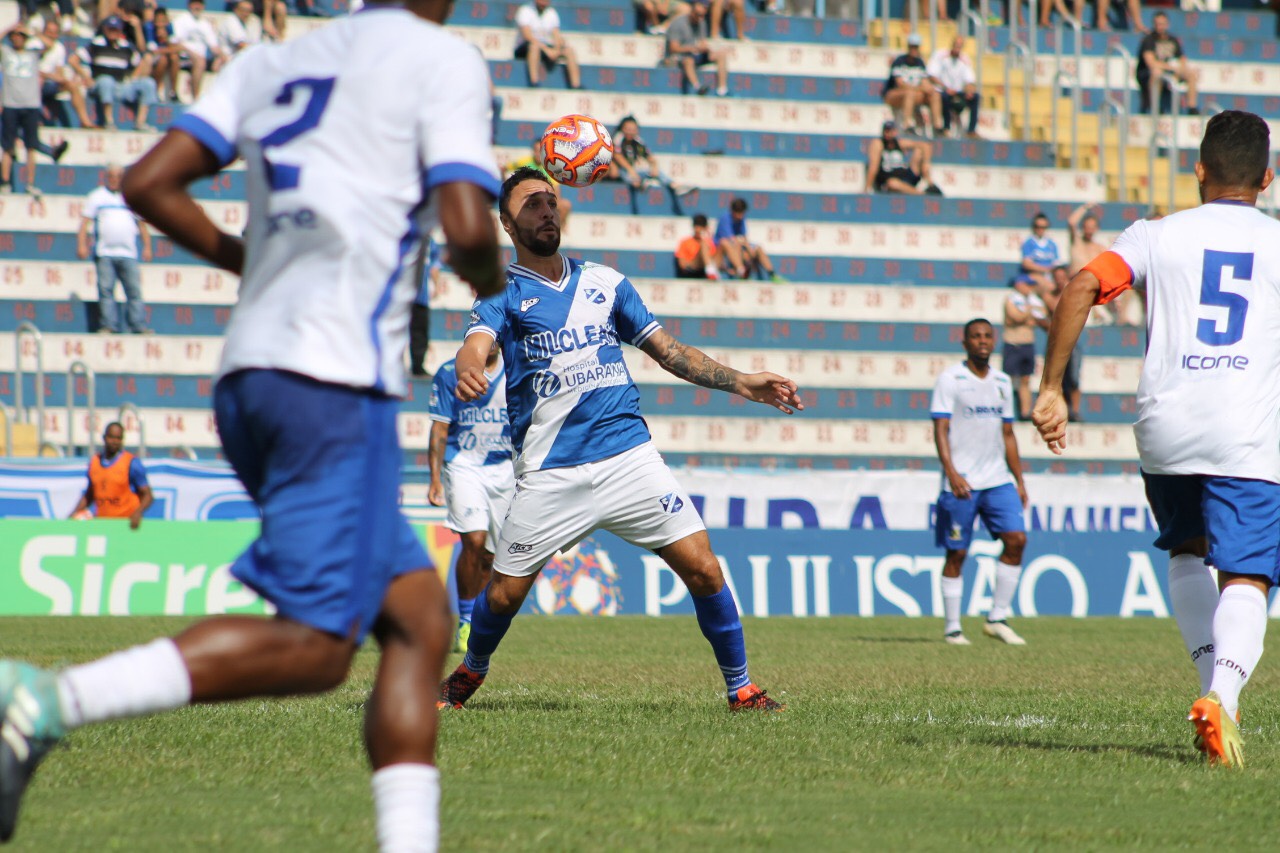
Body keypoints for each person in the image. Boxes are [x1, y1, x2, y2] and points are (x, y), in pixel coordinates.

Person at [0, 0, 506, 846]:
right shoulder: (440, 58)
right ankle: (47, 700)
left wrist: (249, 257)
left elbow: (146, 182)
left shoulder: (275, 59)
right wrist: (487, 278)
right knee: (316, 649)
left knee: (418, 620)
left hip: (254, 372)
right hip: (332, 379)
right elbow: (463, 225)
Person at [437, 166, 803, 713]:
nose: (545, 210)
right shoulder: (503, 293)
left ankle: (741, 689)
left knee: (704, 568)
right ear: (507, 223)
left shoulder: (606, 283)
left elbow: (671, 352)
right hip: (551, 470)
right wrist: (470, 366)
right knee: (504, 596)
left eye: (551, 201)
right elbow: (476, 343)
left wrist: (742, 382)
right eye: (532, 204)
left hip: (629, 458)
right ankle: (471, 671)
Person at [1033, 110, 1280, 767]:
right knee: (1249, 575)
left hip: (1164, 427)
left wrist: (1053, 387)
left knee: (1186, 552)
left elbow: (1082, 284)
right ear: (1268, 178)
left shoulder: (1153, 235)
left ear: (1198, 170)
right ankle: (1221, 697)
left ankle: (1213, 697)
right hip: (1247, 431)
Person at [931, 319, 1029, 646]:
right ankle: (952, 628)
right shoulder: (951, 380)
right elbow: (940, 429)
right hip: (962, 483)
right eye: (976, 336)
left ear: (994, 341)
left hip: (997, 480)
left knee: (1016, 540)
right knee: (957, 553)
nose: (982, 341)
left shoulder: (1002, 382)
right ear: (965, 343)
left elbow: (1008, 434)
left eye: (987, 336)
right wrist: (952, 472)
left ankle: (997, 618)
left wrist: (1019, 480)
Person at [427, 345, 515, 653]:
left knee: (491, 556)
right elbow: (439, 428)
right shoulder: (451, 372)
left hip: (505, 470)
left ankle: (476, 619)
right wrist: (435, 478)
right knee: (473, 541)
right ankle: (464, 622)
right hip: (463, 465)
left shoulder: (517, 368)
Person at [78, 163, 153, 334]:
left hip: (128, 253)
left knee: (134, 291)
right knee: (106, 291)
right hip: (105, 253)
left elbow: (142, 225)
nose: (114, 180)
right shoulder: (97, 196)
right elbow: (84, 223)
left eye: (118, 177)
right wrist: (82, 244)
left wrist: (147, 247)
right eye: (111, 176)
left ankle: (138, 325)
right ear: (106, 177)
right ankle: (108, 325)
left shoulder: (131, 197)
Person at [1, 23, 68, 195]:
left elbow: (50, 45)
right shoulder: (6, 54)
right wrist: (10, 28)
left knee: (31, 147)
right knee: (8, 146)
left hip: (30, 104)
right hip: (11, 104)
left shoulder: (33, 55)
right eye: (14, 36)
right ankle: (5, 182)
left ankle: (30, 184)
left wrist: (33, 31)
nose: (17, 38)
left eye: (20, 36)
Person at [66, 422, 153, 528]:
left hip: (126, 524)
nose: (115, 442)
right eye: (111, 437)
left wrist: (138, 513)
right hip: (104, 524)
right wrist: (73, 514)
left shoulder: (131, 463)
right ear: (104, 438)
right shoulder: (95, 462)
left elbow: (148, 495)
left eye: (118, 438)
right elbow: (89, 494)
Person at [78, 16, 158, 131]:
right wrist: (86, 77)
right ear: (105, 29)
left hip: (121, 84)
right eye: (110, 29)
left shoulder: (126, 46)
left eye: (115, 29)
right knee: (106, 81)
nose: (113, 32)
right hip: (100, 84)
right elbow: (74, 59)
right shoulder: (97, 43)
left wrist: (133, 77)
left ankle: (140, 122)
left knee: (148, 83)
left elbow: (140, 62)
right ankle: (109, 121)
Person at [608, 114, 691, 215]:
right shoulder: (618, 138)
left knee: (654, 172)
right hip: (621, 170)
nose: (630, 131)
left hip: (634, 171)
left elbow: (649, 156)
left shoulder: (637, 141)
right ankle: (639, 182)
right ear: (622, 129)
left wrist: (654, 166)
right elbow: (617, 156)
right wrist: (631, 170)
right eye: (628, 128)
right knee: (628, 175)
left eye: (633, 129)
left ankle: (673, 185)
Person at [34, 19, 98, 129]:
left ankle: (84, 121)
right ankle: (35, 120)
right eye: (49, 31)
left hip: (50, 82)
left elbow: (59, 70)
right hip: (34, 82)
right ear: (44, 31)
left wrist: (64, 79)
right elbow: (32, 70)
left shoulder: (59, 48)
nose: (51, 35)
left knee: (73, 85)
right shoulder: (35, 43)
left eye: (54, 32)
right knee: (39, 81)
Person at [1136, 12, 1199, 115]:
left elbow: (1182, 59)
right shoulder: (1149, 40)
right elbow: (1151, 63)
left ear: (1167, 24)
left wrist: (1181, 69)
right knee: (1157, 73)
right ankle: (1155, 107)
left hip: (1170, 71)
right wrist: (1171, 68)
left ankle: (1192, 108)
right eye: (1157, 24)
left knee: (1190, 74)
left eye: (1162, 24)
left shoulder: (1173, 40)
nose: (1160, 27)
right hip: (1149, 74)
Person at [663, 0, 729, 97]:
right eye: (698, 15)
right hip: (678, 56)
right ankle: (697, 87)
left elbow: (702, 42)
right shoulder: (678, 23)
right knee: (688, 60)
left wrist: (706, 49)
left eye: (702, 16)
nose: (700, 18)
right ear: (692, 11)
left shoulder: (701, 23)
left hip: (695, 54)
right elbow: (673, 48)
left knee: (721, 55)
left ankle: (722, 90)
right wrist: (691, 48)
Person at [1003, 275, 1047, 420]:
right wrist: (1029, 312)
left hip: (1027, 344)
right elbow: (1016, 317)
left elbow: (1042, 315)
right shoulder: (1011, 300)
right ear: (1019, 284)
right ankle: (1005, 409)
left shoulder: (1031, 300)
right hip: (1013, 343)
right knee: (1008, 379)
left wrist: (1027, 314)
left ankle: (1025, 411)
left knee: (1025, 380)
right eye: (1027, 285)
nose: (1030, 288)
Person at [882, 33, 943, 137]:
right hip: (895, 94)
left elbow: (924, 82)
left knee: (935, 94)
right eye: (912, 46)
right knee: (910, 93)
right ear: (908, 47)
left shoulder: (920, 63)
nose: (914, 49)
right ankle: (907, 124)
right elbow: (899, 83)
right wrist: (919, 88)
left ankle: (938, 126)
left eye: (916, 47)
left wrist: (929, 89)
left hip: (915, 93)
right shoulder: (899, 61)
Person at [514, 0, 582, 89]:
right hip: (526, 47)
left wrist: (556, 49)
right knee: (534, 47)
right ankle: (534, 81)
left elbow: (556, 35)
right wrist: (546, 50)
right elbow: (527, 36)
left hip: (545, 47)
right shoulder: (525, 11)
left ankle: (576, 85)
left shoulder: (551, 13)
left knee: (569, 51)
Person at [865, 120, 940, 196]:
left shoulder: (899, 143)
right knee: (893, 183)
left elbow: (925, 145)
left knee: (919, 151)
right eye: (886, 130)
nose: (888, 133)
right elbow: (873, 167)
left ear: (895, 132)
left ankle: (929, 183)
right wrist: (867, 187)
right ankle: (923, 194)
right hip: (889, 180)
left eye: (891, 130)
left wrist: (926, 165)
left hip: (904, 176)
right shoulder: (879, 144)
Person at [715, 197, 783, 282]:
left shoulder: (742, 219)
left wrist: (749, 249)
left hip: (738, 248)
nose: (740, 216)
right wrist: (743, 244)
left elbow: (744, 237)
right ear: (732, 211)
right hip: (724, 250)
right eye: (738, 213)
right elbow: (731, 240)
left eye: (742, 213)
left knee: (758, 248)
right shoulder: (725, 219)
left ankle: (772, 274)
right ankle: (741, 272)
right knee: (736, 245)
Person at [926, 36, 980, 139]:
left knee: (975, 97)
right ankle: (946, 127)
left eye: (960, 46)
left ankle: (971, 130)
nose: (957, 48)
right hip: (942, 90)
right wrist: (946, 88)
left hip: (958, 92)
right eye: (956, 45)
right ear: (952, 44)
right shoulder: (940, 55)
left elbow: (970, 80)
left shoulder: (965, 59)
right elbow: (932, 76)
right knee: (945, 97)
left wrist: (969, 91)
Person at [172, 0, 227, 100]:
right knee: (200, 61)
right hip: (185, 55)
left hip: (203, 57)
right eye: (195, 3)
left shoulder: (205, 23)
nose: (197, 6)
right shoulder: (181, 20)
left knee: (224, 62)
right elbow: (176, 43)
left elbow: (214, 46)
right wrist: (193, 54)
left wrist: (224, 57)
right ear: (189, 5)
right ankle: (195, 98)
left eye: (200, 4)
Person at [409, 236, 443, 378]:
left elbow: (434, 264)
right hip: (401, 294)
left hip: (421, 295)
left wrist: (436, 284)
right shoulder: (407, 235)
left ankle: (417, 366)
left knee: (420, 331)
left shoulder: (430, 242)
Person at [1019, 211, 1060, 292]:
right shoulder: (1029, 243)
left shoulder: (1052, 244)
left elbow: (1056, 263)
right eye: (1038, 226)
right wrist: (1045, 269)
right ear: (1034, 227)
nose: (1040, 229)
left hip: (1050, 276)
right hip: (1034, 276)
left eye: (1043, 227)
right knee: (1048, 286)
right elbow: (1027, 264)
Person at [674, 213, 718, 279]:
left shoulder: (710, 242)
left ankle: (711, 271)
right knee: (703, 244)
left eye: (701, 227)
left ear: (706, 228)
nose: (698, 230)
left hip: (705, 268)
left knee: (723, 243)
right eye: (697, 226)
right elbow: (682, 264)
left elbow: (714, 259)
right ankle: (710, 271)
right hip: (692, 269)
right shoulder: (685, 242)